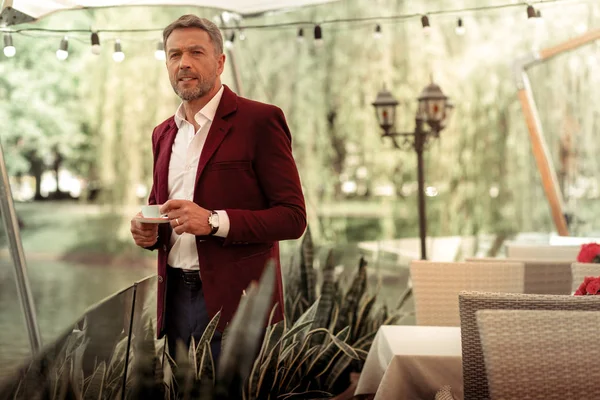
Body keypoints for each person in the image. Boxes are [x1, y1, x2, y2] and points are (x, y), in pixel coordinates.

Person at [130, 15, 306, 363]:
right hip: (175, 299)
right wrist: (146, 231)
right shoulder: (162, 133)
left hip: (240, 304)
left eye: (196, 52)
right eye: (174, 54)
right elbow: (160, 208)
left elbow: (292, 218)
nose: (184, 63)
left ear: (220, 61)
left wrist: (213, 222)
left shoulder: (260, 120)